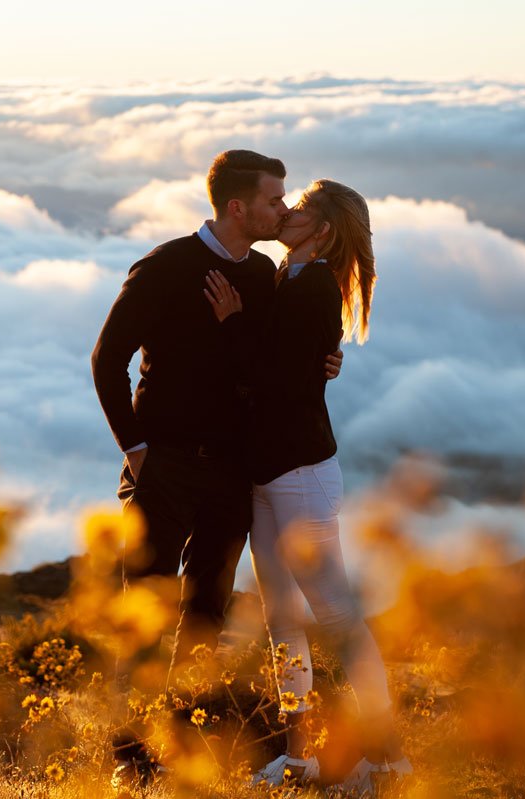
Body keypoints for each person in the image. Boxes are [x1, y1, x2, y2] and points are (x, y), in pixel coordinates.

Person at [91, 150, 341, 781]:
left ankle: (177, 752)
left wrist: (322, 363)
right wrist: (136, 450)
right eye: (273, 200)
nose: (282, 210)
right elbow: (106, 358)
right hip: (163, 468)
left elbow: (270, 359)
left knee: (206, 616)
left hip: (232, 473)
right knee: (143, 613)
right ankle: (130, 765)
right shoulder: (166, 266)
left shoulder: (262, 273)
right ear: (238, 207)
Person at [204, 179, 411, 792]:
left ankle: (389, 759)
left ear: (321, 230)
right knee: (281, 618)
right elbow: (293, 365)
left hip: (300, 476)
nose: (288, 211)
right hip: (273, 473)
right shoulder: (285, 275)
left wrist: (235, 326)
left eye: (300, 208)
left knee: (337, 615)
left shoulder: (315, 286)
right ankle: (302, 757)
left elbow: (284, 384)